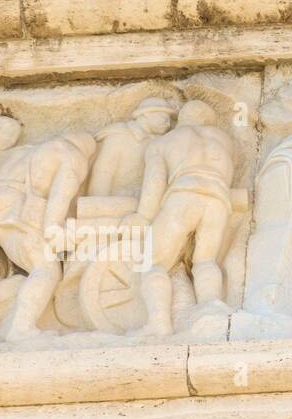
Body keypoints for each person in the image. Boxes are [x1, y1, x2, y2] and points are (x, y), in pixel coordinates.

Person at [0, 131, 97, 341]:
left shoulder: (29, 148)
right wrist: (53, 227)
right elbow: (61, 195)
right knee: (46, 270)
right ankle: (21, 328)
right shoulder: (73, 156)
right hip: (15, 210)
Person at [126, 99, 237, 336]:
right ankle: (212, 313)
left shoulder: (165, 142)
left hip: (184, 195)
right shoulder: (225, 141)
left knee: (153, 262)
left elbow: (155, 183)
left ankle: (158, 324)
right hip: (218, 201)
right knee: (206, 261)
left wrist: (143, 216)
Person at [87, 97, 177, 198]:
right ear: (147, 114)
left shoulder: (160, 142)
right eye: (164, 118)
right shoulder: (120, 135)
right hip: (115, 200)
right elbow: (103, 172)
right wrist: (97, 202)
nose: (168, 124)